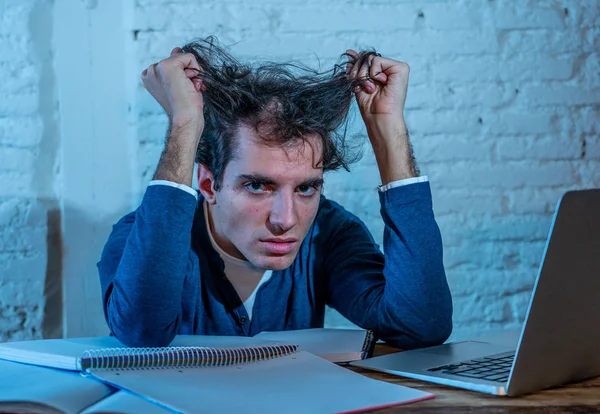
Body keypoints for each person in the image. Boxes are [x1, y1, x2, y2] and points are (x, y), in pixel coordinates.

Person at [98, 37, 453, 349]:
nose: (286, 220)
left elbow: (419, 325)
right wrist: (185, 123)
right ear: (208, 185)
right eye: (257, 186)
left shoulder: (329, 232)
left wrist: (389, 129)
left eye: (306, 188)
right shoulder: (139, 237)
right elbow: (141, 331)